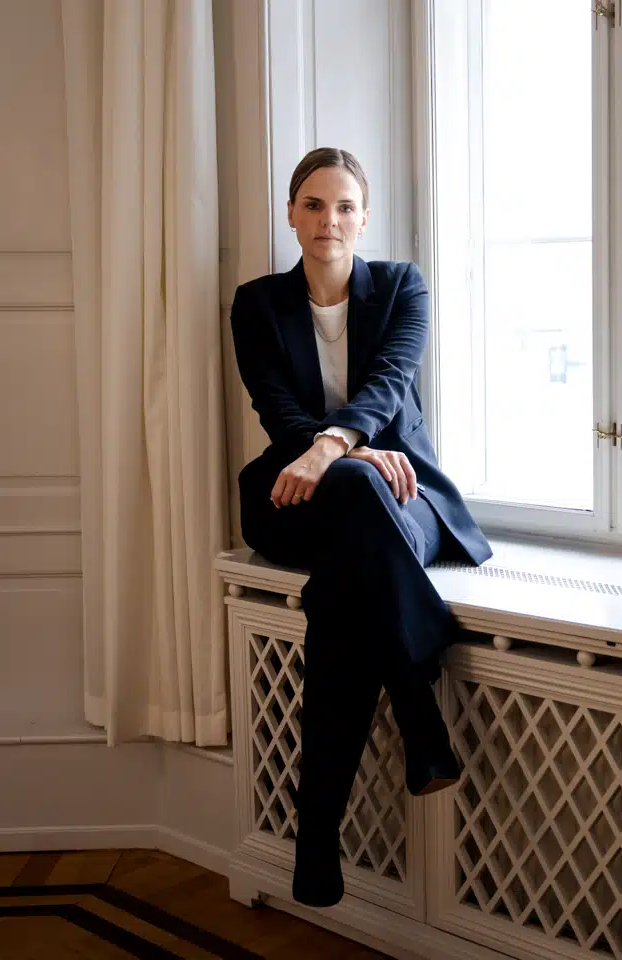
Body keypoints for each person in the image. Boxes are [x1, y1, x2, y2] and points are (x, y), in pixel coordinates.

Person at [230, 147, 491, 907]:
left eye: (345, 206)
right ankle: (417, 707)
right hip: (293, 496)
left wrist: (337, 448)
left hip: (403, 497)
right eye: (313, 205)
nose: (329, 220)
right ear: (291, 214)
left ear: (364, 217)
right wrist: (334, 454)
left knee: (342, 594)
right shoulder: (256, 304)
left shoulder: (403, 287)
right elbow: (277, 408)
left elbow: (388, 384)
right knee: (349, 498)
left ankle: (316, 842)